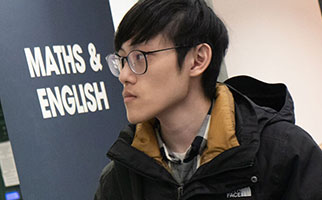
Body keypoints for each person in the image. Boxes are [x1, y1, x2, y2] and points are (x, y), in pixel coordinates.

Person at [95, 0, 322, 199]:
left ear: (197, 60)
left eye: (139, 57)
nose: (124, 75)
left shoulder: (284, 153)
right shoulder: (120, 177)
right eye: (122, 60)